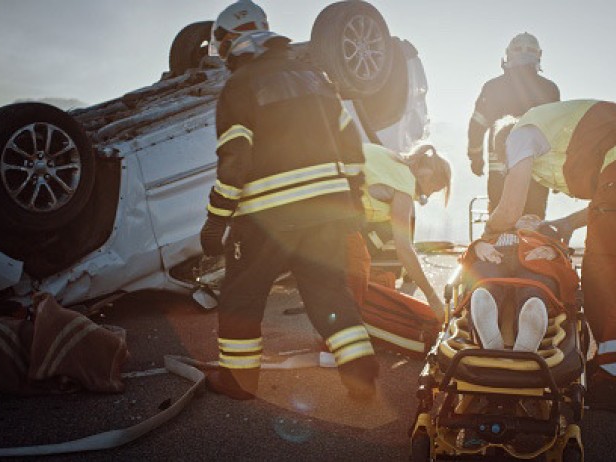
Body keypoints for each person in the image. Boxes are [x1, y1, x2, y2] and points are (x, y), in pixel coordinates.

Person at [200, 2, 378, 401]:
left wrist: (216, 219)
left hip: (266, 217)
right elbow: (352, 146)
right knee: (328, 291)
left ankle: (239, 381)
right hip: (325, 212)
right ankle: (360, 371)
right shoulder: (315, 77)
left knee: (242, 296)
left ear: (229, 42)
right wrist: (352, 200)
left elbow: (235, 159)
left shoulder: (239, 85)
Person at [483, 99, 616, 414]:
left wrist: (490, 232)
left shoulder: (518, 133)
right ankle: (614, 362)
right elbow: (612, 196)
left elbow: (511, 208)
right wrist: (566, 224)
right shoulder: (570, 133)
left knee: (602, 277)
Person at [348, 143, 451, 322]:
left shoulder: (394, 160)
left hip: (318, 190)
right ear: (427, 176)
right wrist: (432, 297)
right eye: (434, 190)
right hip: (329, 212)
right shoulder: (405, 184)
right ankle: (346, 327)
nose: (429, 195)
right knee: (357, 269)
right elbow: (404, 249)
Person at [467, 32, 560, 218]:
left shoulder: (493, 87)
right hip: (537, 169)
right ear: (539, 55)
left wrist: (475, 157)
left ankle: (498, 245)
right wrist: (556, 171)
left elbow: (477, 125)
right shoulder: (550, 89)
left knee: (500, 217)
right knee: (533, 221)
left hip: (501, 168)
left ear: (508, 54)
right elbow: (556, 132)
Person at [465, 215, 579, 352]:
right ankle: (486, 321)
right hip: (497, 256)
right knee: (483, 276)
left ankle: (529, 325)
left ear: (541, 225)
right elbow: (467, 257)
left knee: (536, 283)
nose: (528, 218)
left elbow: (563, 254)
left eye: (534, 219)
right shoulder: (500, 234)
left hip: (534, 261)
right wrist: (478, 246)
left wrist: (552, 251)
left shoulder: (545, 239)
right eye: (524, 217)